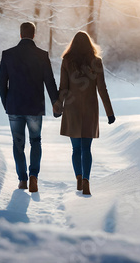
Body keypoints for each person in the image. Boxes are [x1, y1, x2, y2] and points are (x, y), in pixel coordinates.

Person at [0, 22, 59, 193]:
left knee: (18, 144)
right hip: (34, 107)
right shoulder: (42, 55)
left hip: (15, 107)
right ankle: (34, 176)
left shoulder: (8, 55)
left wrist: (7, 103)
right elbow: (49, 81)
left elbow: (1, 82)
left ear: (20, 34)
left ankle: (22, 180)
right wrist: (55, 101)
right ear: (33, 35)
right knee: (35, 141)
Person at [54, 31, 115, 195]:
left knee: (76, 150)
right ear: (90, 45)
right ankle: (87, 180)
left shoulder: (66, 61)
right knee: (86, 149)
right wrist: (110, 113)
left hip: (72, 110)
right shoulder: (96, 62)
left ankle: (79, 179)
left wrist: (58, 106)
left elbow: (64, 87)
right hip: (90, 109)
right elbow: (102, 89)